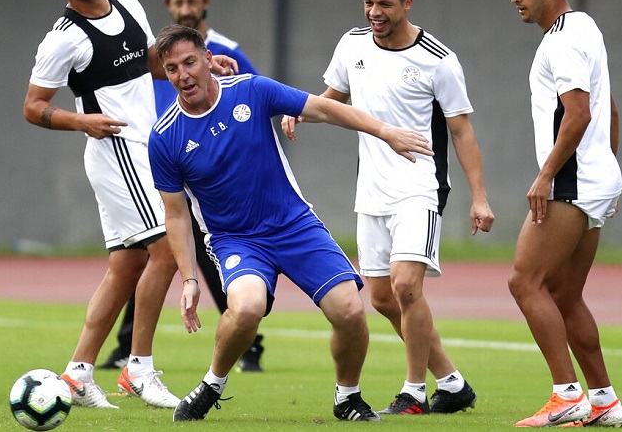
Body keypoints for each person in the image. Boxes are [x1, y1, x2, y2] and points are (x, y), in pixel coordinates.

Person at [148, 24, 434, 422]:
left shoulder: (252, 90)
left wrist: (385, 131)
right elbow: (176, 214)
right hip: (236, 239)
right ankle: (212, 383)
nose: (183, 75)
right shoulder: (164, 137)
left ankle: (347, 396)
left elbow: (324, 108)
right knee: (246, 308)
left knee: (351, 313)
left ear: (208, 60)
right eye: (173, 68)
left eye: (190, 62)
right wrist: (190, 280)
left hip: (294, 225)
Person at [23, 0, 235, 410]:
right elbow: (33, 108)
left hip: (145, 146)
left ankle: (78, 373)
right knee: (164, 250)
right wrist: (82, 121)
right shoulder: (64, 38)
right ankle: (138, 367)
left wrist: (201, 71)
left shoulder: (130, 5)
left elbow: (154, 65)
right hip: (116, 150)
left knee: (126, 266)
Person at [282, 0, 494, 416]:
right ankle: (453, 384)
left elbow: (462, 131)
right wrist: (299, 110)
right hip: (371, 190)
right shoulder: (352, 44)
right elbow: (332, 97)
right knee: (381, 298)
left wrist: (479, 196)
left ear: (407, 4)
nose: (374, 12)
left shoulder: (438, 59)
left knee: (406, 288)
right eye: (368, 3)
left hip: (421, 187)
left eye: (384, 4)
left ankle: (414, 391)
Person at [100, 0, 264, 373]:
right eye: (179, 2)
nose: (186, 8)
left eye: (192, 1)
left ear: (205, 3)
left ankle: (248, 340)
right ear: (168, 6)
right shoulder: (156, 53)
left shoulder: (226, 49)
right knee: (152, 252)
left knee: (201, 254)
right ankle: (128, 348)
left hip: (209, 169)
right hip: (167, 162)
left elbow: (255, 97)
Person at [507, 0, 622, 428]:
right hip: (595, 178)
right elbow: (610, 108)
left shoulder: (560, 41)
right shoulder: (586, 26)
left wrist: (545, 175)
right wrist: (609, 172)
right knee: (563, 292)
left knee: (524, 281)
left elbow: (580, 113)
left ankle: (566, 394)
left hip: (572, 182)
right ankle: (604, 402)